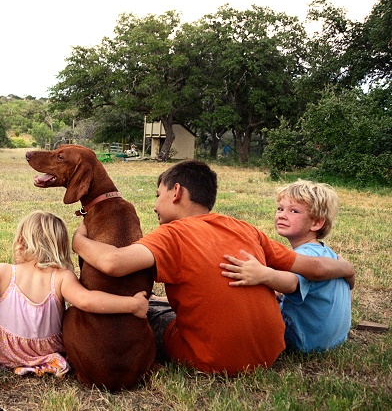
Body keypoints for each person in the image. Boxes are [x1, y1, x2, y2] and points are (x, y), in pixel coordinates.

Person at [71, 160, 354, 374]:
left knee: (153, 316)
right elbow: (315, 268)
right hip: (271, 352)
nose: (155, 206)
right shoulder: (245, 228)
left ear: (176, 192)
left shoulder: (172, 234)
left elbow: (112, 263)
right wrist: (347, 270)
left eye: (158, 195)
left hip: (212, 360)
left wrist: (79, 240)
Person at [0, 210, 149, 377]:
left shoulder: (4, 271)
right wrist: (131, 304)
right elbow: (86, 301)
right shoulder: (62, 276)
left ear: (21, 241)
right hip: (47, 350)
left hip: (4, 349)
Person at [220, 180, 351, 352]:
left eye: (294, 211)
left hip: (303, 340)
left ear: (316, 223)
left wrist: (262, 274)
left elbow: (291, 283)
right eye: (280, 209)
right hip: (333, 337)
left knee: (248, 304)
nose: (282, 215)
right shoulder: (326, 253)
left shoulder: (306, 256)